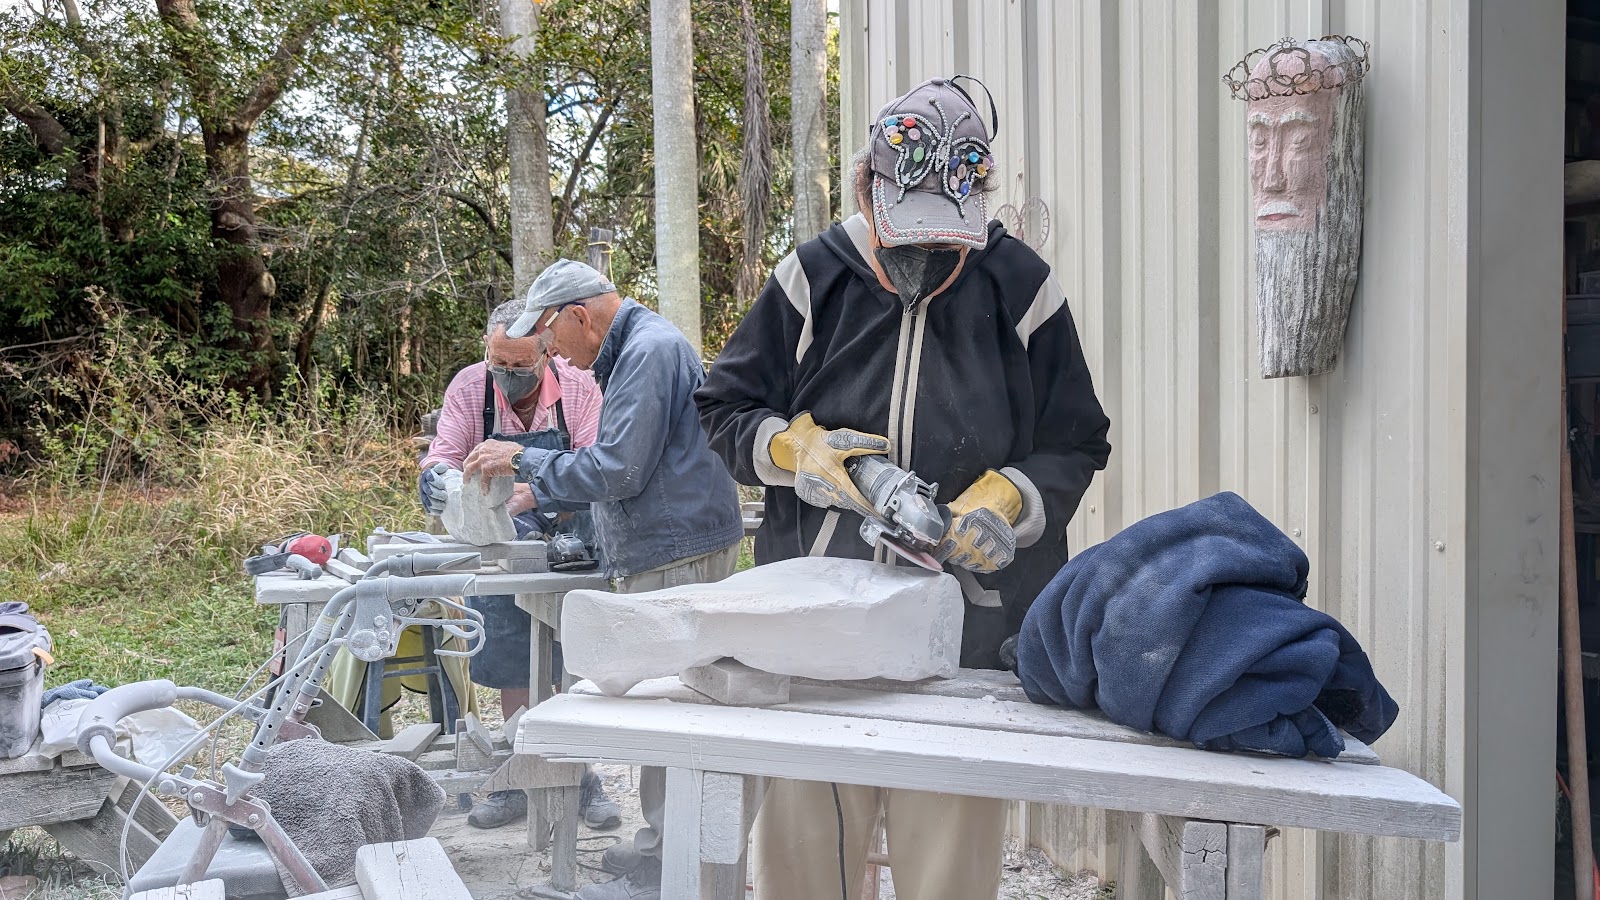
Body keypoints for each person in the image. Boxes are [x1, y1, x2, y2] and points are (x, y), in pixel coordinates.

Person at [695, 76, 1113, 900]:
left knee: (947, 864)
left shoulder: (1020, 287)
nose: (920, 267)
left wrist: (1010, 502)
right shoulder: (813, 277)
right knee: (805, 860)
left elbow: (1077, 440)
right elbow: (723, 407)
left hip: (963, 633)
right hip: (816, 632)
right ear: (865, 188)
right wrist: (797, 450)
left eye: (944, 247)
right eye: (903, 245)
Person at [463, 258, 744, 900]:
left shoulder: (648, 351)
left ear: (579, 316)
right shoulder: (639, 346)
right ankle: (658, 850)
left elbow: (618, 469)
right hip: (670, 546)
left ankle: (672, 867)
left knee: (678, 712)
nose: (550, 354)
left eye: (551, 340)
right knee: (669, 711)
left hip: (679, 551)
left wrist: (524, 459)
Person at [419, 297, 620, 832]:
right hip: (503, 545)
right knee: (512, 652)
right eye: (499, 365)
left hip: (576, 534)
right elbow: (445, 451)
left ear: (548, 353)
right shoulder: (469, 386)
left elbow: (596, 467)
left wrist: (533, 493)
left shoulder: (580, 387)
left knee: (573, 655)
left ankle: (579, 778)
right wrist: (435, 477)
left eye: (521, 368)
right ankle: (521, 773)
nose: (508, 377)